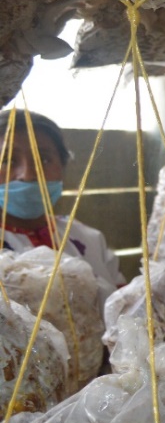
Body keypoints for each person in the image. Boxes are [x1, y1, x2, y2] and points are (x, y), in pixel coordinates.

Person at [1, 111, 126, 293]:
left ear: (62, 167)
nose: (28, 175)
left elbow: (124, 308)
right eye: (7, 160)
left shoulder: (88, 239)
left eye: (44, 159)